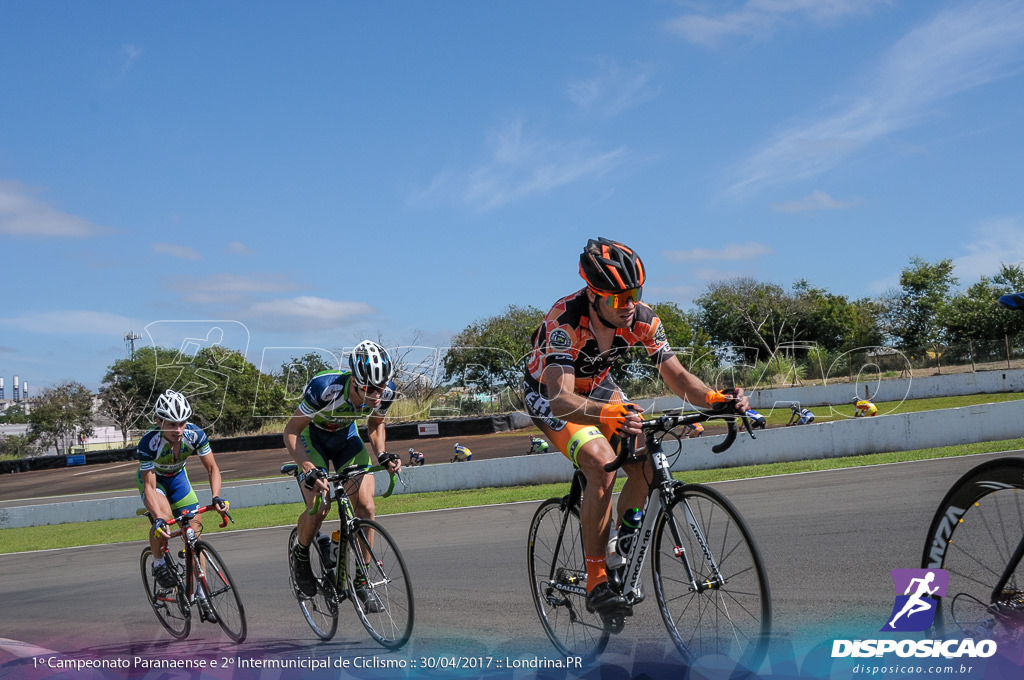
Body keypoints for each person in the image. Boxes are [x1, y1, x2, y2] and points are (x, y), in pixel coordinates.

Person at [522, 237, 748, 619]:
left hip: (598, 389)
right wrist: (607, 416)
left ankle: (620, 541)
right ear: (594, 296)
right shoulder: (563, 321)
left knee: (646, 459)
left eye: (634, 294)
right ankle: (595, 579)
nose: (628, 306)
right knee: (600, 463)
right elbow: (560, 397)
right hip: (551, 395)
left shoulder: (643, 319)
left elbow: (676, 376)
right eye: (617, 299)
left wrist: (714, 399)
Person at [283, 340, 401, 610]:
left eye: (381, 387)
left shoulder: (386, 391)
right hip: (314, 440)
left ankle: (361, 581)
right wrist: (307, 468)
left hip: (347, 440)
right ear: (356, 381)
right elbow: (291, 430)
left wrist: (382, 453)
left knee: (367, 507)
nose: (377, 394)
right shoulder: (325, 388)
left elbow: (375, 424)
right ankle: (300, 554)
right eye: (370, 388)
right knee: (320, 507)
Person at [137, 389, 228, 611]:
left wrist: (216, 496)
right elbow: (149, 486)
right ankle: (158, 563)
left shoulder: (195, 435)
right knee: (165, 519)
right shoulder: (149, 443)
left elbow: (213, 468)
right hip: (155, 482)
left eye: (182, 423)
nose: (178, 429)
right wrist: (158, 517)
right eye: (171, 424)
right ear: (159, 421)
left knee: (194, 531)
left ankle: (202, 592)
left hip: (178, 479)